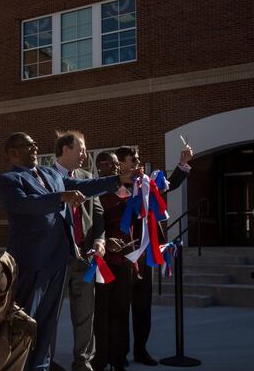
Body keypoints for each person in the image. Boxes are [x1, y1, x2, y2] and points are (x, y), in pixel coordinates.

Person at [0, 132, 132, 371]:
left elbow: (82, 187)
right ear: (12, 153)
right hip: (32, 261)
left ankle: (41, 366)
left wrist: (117, 180)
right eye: (28, 145)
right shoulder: (8, 180)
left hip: (59, 259)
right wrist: (60, 197)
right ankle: (19, 365)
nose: (35, 147)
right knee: (27, 320)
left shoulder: (50, 174)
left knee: (48, 322)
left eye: (35, 143)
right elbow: (24, 205)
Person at [92, 145, 193, 370]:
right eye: (133, 159)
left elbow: (169, 184)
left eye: (137, 159)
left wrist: (183, 164)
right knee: (119, 310)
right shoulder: (106, 190)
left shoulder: (143, 184)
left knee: (142, 307)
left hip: (143, 255)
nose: (138, 163)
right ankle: (119, 354)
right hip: (120, 259)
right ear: (120, 164)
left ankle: (141, 350)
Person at [50, 131, 105, 371]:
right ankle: (45, 361)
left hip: (85, 259)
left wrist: (101, 240)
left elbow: (99, 214)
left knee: (85, 316)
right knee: (50, 314)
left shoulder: (87, 177)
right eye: (81, 149)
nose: (85, 155)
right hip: (55, 261)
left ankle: (83, 363)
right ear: (65, 149)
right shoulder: (44, 177)